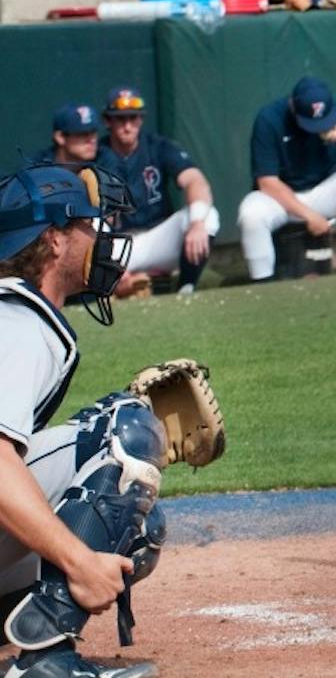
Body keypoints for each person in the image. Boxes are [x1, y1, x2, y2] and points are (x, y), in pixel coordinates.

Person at [0, 163, 168, 677]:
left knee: (136, 520)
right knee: (123, 432)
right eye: (87, 226)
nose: (100, 239)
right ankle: (45, 664)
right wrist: (78, 561)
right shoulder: (16, 320)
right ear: (54, 240)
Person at [236, 76, 336, 281]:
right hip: (282, 200)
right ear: (293, 106)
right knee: (250, 214)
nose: (317, 127)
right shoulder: (270, 118)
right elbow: (267, 183)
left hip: (324, 193)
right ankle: (263, 283)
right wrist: (309, 215)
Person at [94, 86, 219, 297]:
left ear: (141, 119)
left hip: (159, 240)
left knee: (207, 216)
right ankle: (122, 283)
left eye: (133, 118)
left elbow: (195, 181)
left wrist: (197, 224)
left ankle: (185, 289)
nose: (127, 126)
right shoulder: (97, 155)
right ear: (108, 121)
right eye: (120, 119)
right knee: (91, 227)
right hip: (118, 246)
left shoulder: (158, 146)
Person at [30, 106, 99, 166]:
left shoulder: (102, 160)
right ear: (60, 137)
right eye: (83, 134)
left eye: (93, 133)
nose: (92, 140)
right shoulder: (36, 167)